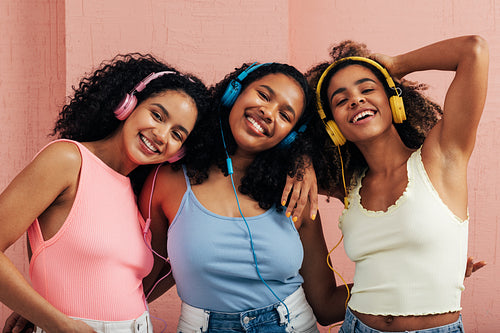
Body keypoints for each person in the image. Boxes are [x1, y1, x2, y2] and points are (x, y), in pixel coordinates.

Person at [0, 53, 211, 333]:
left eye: (177, 134)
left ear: (179, 152)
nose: (162, 135)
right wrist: (54, 320)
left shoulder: (136, 194)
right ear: (128, 105)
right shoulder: (67, 160)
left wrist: (36, 307)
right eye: (157, 115)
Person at [139, 62, 348, 332]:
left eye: (285, 115)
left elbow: (325, 306)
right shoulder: (168, 180)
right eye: (263, 95)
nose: (268, 112)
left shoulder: (296, 191)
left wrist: (408, 290)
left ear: (291, 135)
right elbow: (147, 278)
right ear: (234, 92)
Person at [306, 35, 489, 332]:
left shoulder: (441, 156)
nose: (356, 100)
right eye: (340, 100)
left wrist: (393, 65)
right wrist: (302, 164)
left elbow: (473, 50)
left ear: (394, 100)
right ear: (332, 126)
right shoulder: (347, 186)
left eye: (368, 89)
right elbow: (326, 309)